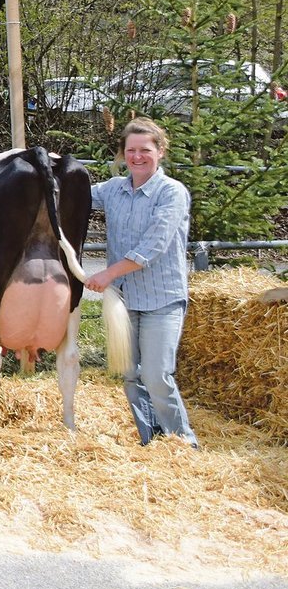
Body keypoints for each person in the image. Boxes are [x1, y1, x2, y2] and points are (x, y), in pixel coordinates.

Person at [85, 117, 199, 448]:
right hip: (124, 299)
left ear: (160, 151)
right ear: (123, 153)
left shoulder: (172, 193)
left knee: (157, 376)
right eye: (131, 150)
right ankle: (150, 442)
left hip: (162, 300)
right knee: (131, 375)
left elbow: (153, 246)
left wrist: (107, 274)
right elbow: (73, 193)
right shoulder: (113, 189)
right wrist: (44, 166)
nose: (137, 156)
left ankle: (183, 443)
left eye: (145, 150)